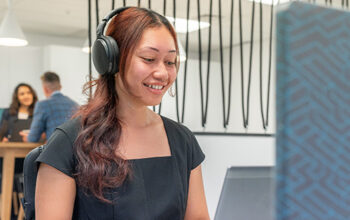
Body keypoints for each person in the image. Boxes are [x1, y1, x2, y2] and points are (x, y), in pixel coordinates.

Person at [35, 7, 210, 220]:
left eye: (170, 62)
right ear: (112, 60)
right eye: (148, 58)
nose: (163, 73)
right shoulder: (68, 143)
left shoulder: (183, 141)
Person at [21, 71, 78, 143]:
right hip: (76, 151)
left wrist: (27, 138)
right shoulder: (75, 104)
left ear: (45, 89)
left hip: (55, 150)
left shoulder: (42, 105)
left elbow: (33, 138)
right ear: (60, 87)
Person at [0, 83, 38, 173]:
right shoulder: (8, 112)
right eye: (22, 94)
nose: (26, 96)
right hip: (11, 150)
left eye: (29, 93)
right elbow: (2, 132)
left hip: (32, 150)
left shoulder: (38, 112)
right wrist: (3, 139)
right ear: (17, 97)